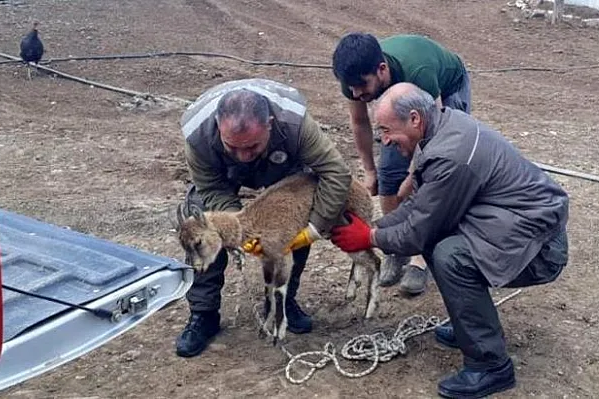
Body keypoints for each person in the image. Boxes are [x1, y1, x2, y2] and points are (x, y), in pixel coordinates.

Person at [330, 83, 570, 399]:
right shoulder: (444, 125)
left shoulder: (451, 155)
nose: (384, 140)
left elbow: (419, 230)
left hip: (539, 247)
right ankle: (471, 330)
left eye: (387, 130)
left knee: (450, 255)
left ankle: (491, 365)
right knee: (442, 244)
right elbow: (423, 206)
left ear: (414, 119)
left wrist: (370, 237)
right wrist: (378, 227)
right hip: (514, 225)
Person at [176, 78, 353, 357]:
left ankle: (282, 300)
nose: (243, 156)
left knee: (293, 220)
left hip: (283, 168)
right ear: (217, 126)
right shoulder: (197, 135)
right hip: (222, 179)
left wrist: (315, 228)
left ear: (270, 124)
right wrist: (238, 227)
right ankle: (204, 313)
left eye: (251, 147)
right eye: (232, 146)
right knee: (201, 225)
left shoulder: (295, 125)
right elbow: (210, 187)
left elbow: (336, 173)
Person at [331, 32, 472, 296]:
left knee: (435, 175)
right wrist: (370, 171)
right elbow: (360, 122)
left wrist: (414, 175)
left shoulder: (419, 72)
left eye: (362, 86)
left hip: (446, 90)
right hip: (403, 96)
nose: (356, 93)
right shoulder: (353, 79)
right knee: (388, 173)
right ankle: (396, 248)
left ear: (382, 70)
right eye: (351, 89)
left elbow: (434, 133)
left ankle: (420, 257)